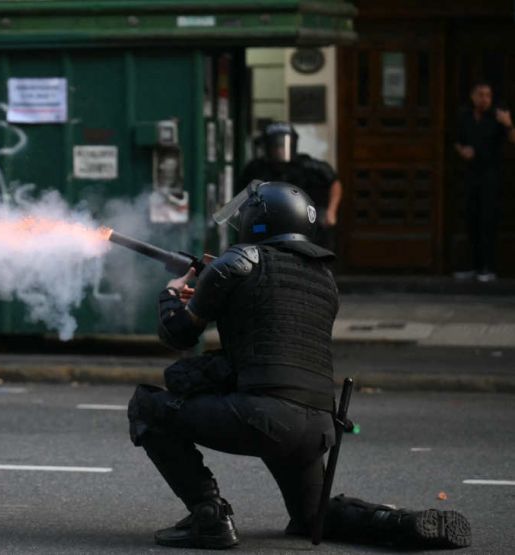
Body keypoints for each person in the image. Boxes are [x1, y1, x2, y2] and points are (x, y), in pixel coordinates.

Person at [127, 181, 471, 550]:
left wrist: (170, 296)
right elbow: (272, 324)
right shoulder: (323, 277)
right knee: (312, 518)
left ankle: (208, 516)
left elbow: (177, 335)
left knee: (146, 407)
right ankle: (398, 523)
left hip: (263, 417)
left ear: (259, 221)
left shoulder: (240, 260)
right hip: (317, 427)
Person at [238, 122, 342, 252]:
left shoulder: (309, 165)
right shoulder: (255, 168)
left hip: (303, 224)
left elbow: (334, 182)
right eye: (276, 145)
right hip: (268, 225)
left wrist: (331, 211)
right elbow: (242, 197)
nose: (280, 149)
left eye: (284, 144)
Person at [454, 81, 515, 283]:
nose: (484, 99)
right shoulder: (465, 116)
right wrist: (463, 151)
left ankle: (488, 268)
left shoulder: (497, 116)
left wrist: (508, 124)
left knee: (488, 220)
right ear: (472, 97)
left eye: (488, 95)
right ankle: (474, 265)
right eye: (480, 95)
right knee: (471, 219)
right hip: (471, 174)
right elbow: (456, 140)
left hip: (491, 174)